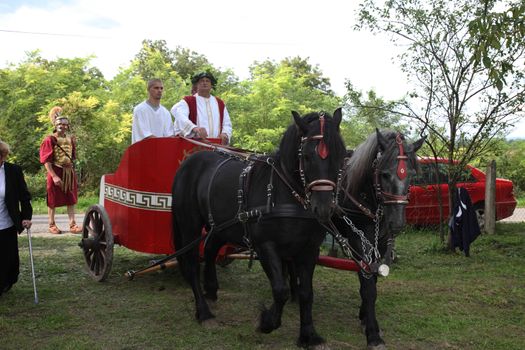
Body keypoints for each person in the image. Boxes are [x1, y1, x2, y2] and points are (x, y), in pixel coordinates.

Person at [39, 106, 82, 234]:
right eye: (60, 124)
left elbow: (72, 156)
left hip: (68, 171)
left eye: (65, 124)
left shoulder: (70, 139)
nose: (63, 126)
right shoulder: (49, 139)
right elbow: (46, 160)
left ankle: (72, 225)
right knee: (52, 198)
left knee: (71, 197)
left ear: (68, 126)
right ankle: (52, 225)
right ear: (55, 124)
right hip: (56, 170)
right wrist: (53, 176)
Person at [0, 140, 32, 296]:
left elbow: (24, 197)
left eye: (1, 156)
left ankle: (6, 281)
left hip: (7, 222)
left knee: (9, 258)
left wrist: (26, 216)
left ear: (4, 156)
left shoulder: (13, 171)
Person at [172, 72, 232, 145]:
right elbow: (181, 117)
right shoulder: (188, 101)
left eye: (207, 81)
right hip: (194, 145)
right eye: (202, 81)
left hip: (217, 146)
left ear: (211, 85)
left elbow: (227, 123)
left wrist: (225, 133)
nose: (205, 83)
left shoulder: (219, 103)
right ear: (197, 85)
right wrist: (195, 128)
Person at [131, 78, 174, 144]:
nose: (159, 90)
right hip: (143, 150)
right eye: (156, 88)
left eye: (161, 88)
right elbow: (145, 135)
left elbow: (169, 135)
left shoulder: (165, 112)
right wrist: (163, 143)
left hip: (160, 151)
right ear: (149, 90)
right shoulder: (140, 109)